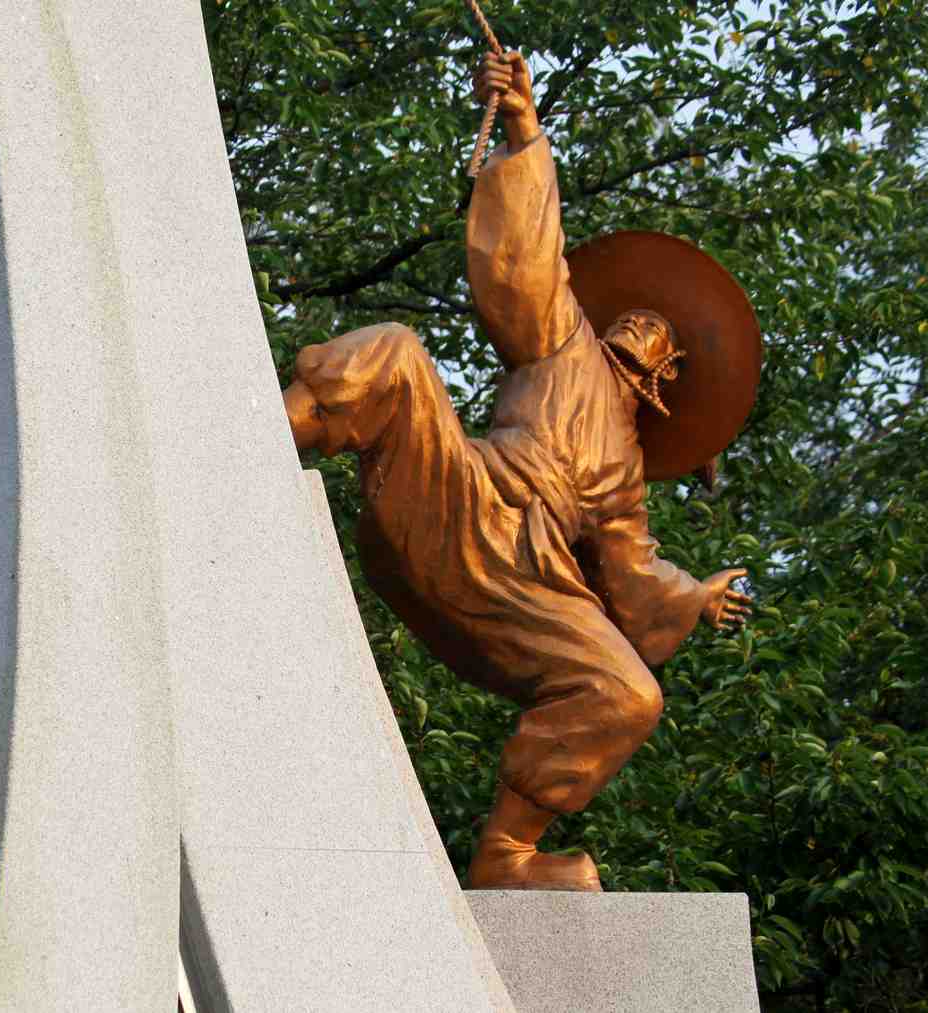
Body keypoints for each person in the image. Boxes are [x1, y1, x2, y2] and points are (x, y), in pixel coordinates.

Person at [280, 52, 757, 891]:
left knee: (628, 693)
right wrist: (524, 126)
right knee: (397, 354)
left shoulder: (625, 482)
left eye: (659, 340)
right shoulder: (563, 340)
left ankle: (505, 855)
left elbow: (636, 582)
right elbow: (529, 264)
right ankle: (261, 435)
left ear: (667, 385)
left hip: (529, 588)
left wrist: (697, 597)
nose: (642, 333)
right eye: (637, 320)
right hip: (463, 500)